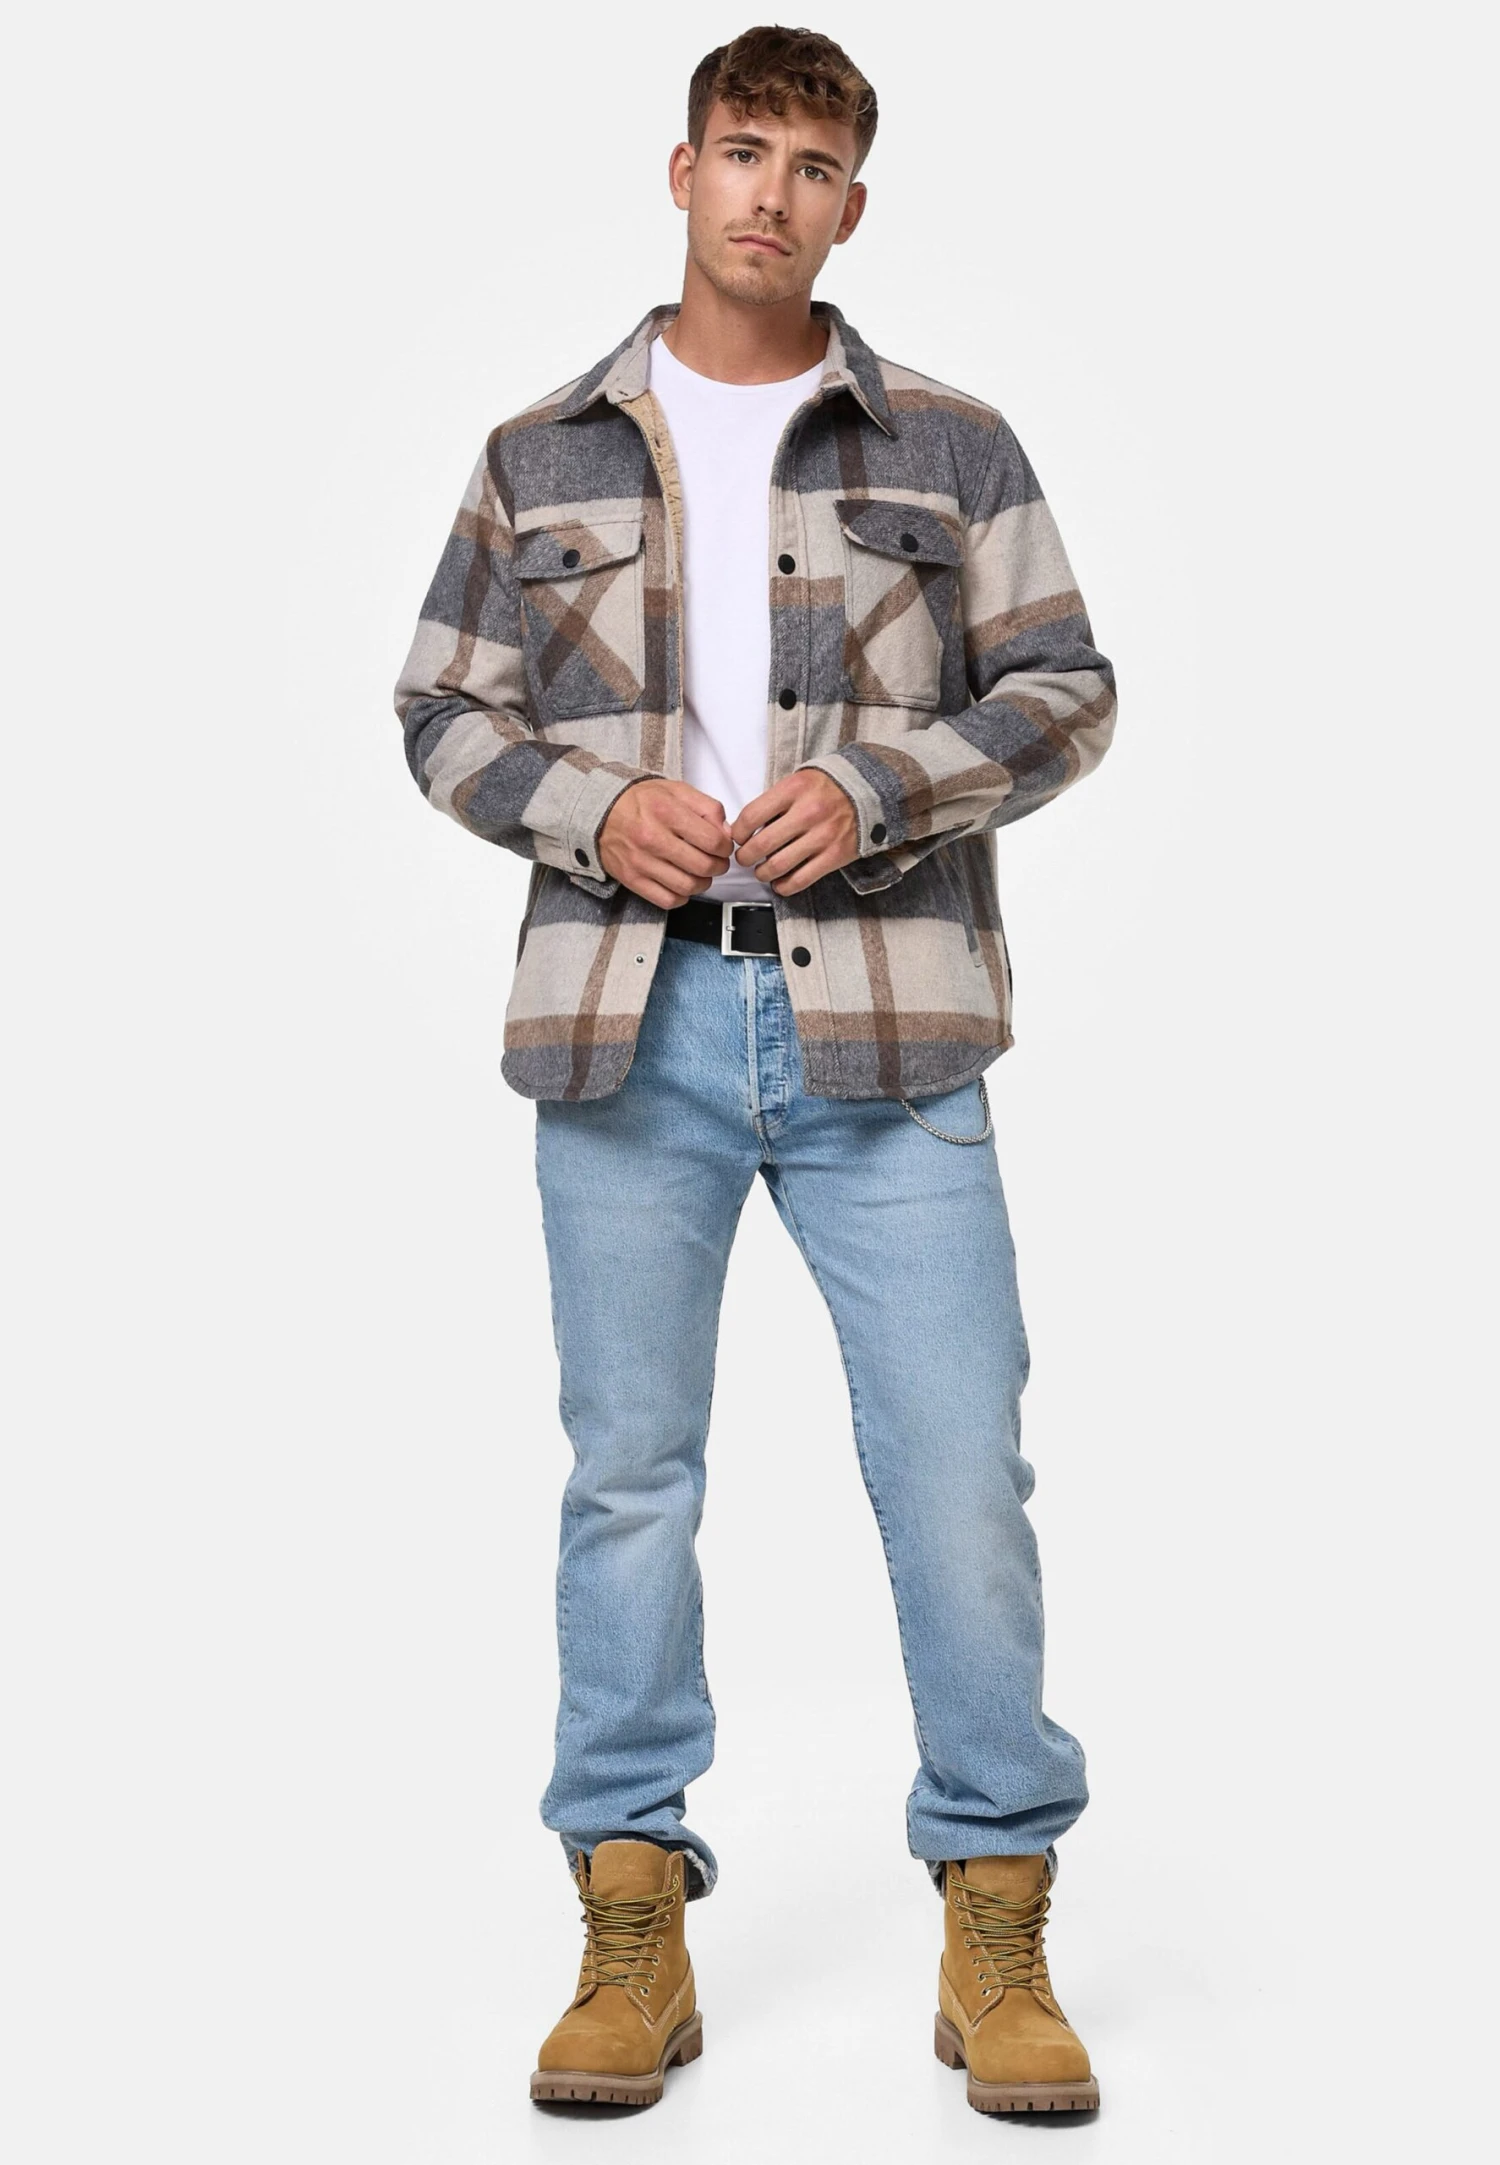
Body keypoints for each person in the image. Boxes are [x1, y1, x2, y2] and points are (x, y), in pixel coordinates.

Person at [393, 23, 1116, 2119]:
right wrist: (590, 808)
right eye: (741, 151)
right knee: (631, 1477)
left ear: (851, 206)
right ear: (682, 172)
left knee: (959, 1466)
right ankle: (631, 1917)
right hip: (630, 1023)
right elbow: (440, 709)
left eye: (810, 165)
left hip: (890, 1021)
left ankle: (997, 1915)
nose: (770, 194)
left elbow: (1068, 687)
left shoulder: (953, 446)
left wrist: (883, 787)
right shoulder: (537, 456)